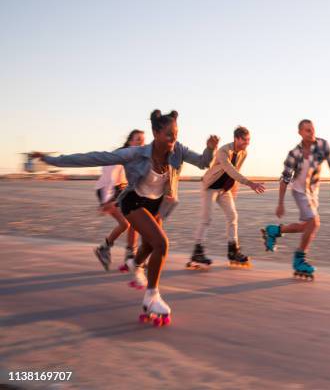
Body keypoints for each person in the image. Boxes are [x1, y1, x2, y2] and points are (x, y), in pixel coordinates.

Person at [31, 110, 218, 325]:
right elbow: (94, 157)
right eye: (168, 135)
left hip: (156, 205)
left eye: (175, 134)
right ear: (156, 133)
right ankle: (152, 296)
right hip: (134, 202)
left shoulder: (178, 150)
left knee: (149, 246)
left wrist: (210, 149)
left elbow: (204, 162)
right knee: (161, 244)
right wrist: (49, 160)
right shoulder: (135, 154)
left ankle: (134, 264)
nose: (173, 139)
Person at [261, 119, 330, 279]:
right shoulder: (294, 154)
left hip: (313, 191)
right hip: (299, 190)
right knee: (315, 222)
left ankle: (274, 231)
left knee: (307, 226)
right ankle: (299, 259)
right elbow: (284, 179)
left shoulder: (322, 145)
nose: (311, 133)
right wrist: (280, 203)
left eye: (312, 129)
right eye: (307, 130)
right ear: (300, 133)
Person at [189, 126, 265, 269]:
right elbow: (230, 170)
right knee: (206, 219)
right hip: (210, 187)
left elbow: (237, 172)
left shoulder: (244, 153)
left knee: (233, 216)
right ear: (236, 139)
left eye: (248, 140)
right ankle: (197, 252)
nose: (247, 143)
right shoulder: (223, 151)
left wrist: (233, 190)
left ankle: (233, 251)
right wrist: (250, 183)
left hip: (224, 190)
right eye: (244, 140)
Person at [93, 129, 145, 271]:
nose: (141, 142)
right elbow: (109, 178)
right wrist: (106, 201)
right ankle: (105, 249)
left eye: (143, 139)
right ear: (130, 141)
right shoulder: (120, 155)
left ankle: (129, 254)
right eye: (137, 139)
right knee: (125, 223)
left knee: (134, 220)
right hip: (106, 189)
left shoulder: (137, 157)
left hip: (121, 189)